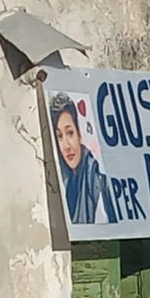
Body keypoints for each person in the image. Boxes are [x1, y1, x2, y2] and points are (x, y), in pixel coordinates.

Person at [50, 92, 115, 225]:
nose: (66, 146)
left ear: (79, 134)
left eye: (70, 133)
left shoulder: (95, 177)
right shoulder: (62, 179)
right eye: (59, 136)